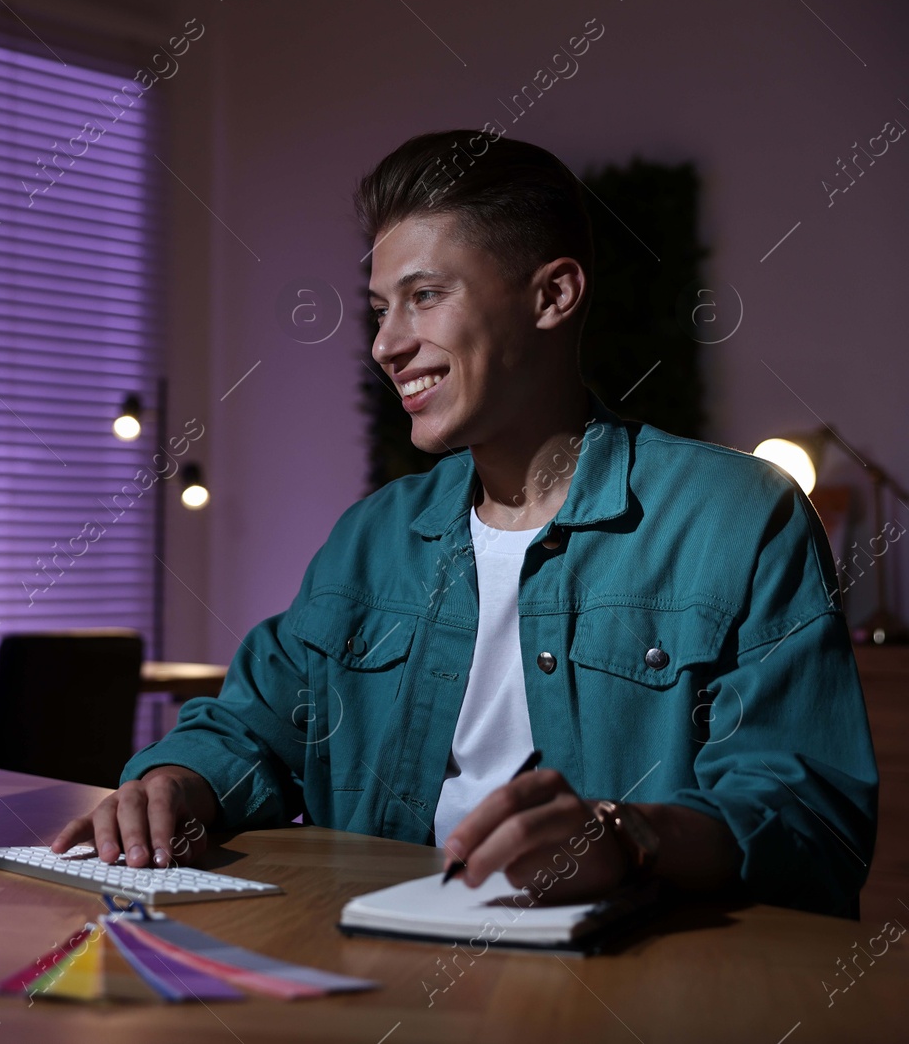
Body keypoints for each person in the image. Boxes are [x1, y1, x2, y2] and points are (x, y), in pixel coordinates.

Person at [51, 129, 878, 917]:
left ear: (553, 294)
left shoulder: (739, 519)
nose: (385, 343)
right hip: (365, 964)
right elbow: (250, 727)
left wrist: (629, 836)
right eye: (379, 309)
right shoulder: (371, 538)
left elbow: (809, 817)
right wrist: (174, 781)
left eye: (424, 296)